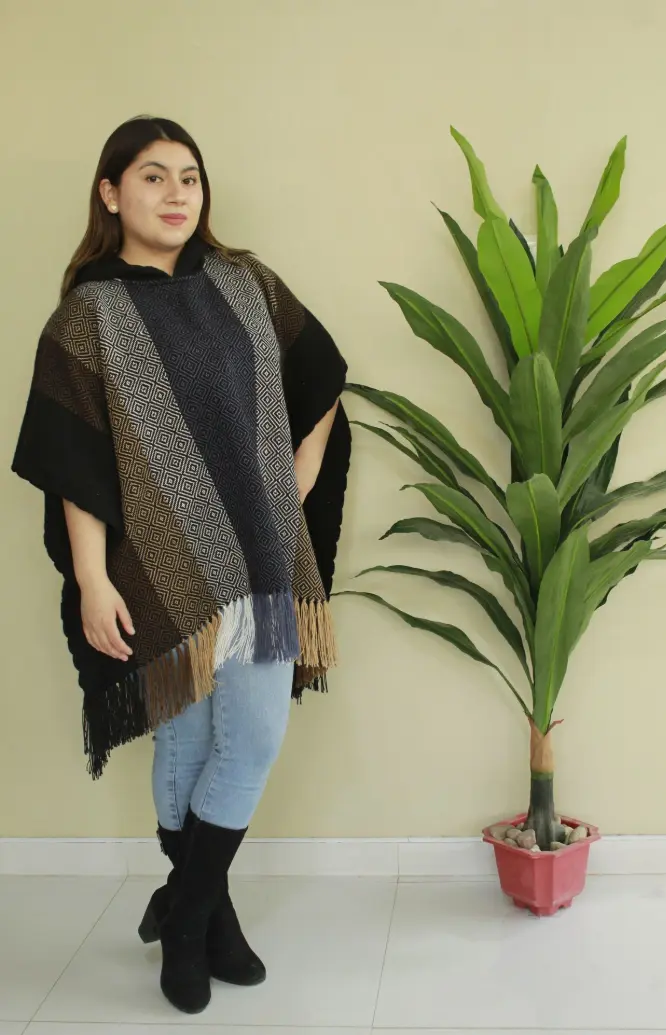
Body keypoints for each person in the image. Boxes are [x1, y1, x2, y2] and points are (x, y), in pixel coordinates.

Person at [12, 116, 351, 1016]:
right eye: (153, 176)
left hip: (262, 552)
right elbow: (76, 469)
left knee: (255, 737)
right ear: (111, 191)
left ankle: (186, 911)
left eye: (189, 177)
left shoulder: (246, 284)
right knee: (189, 742)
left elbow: (321, 374)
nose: (175, 194)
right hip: (156, 566)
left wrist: (299, 472)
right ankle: (212, 915)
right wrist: (93, 580)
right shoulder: (87, 317)